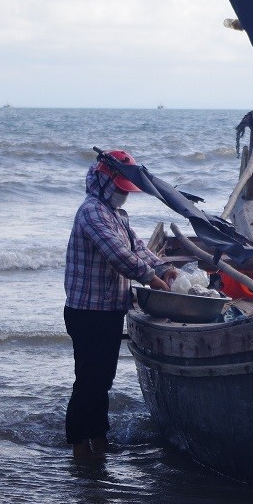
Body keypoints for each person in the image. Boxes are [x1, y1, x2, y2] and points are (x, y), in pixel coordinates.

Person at [64, 150, 178, 460]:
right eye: (119, 190)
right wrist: (154, 279)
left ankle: (98, 439)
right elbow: (120, 257)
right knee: (90, 379)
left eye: (126, 191)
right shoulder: (91, 212)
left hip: (109, 309)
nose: (122, 197)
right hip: (87, 311)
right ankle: (78, 444)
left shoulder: (117, 215)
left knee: (103, 379)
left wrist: (163, 266)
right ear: (103, 183)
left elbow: (139, 249)